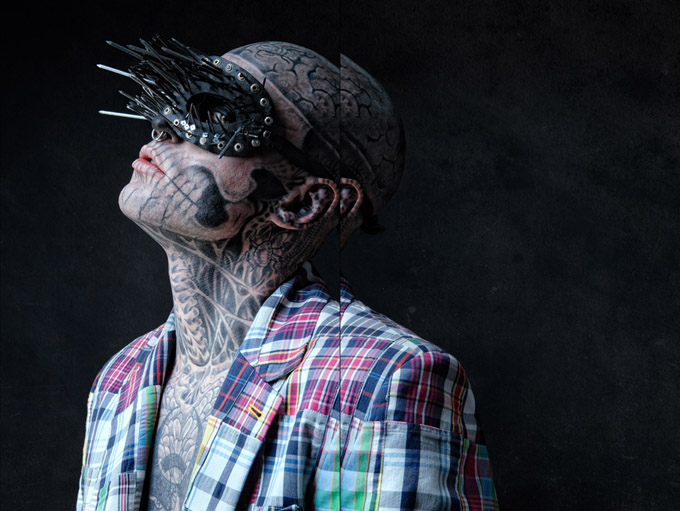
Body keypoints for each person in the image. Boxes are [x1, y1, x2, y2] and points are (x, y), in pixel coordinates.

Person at [77, 37, 498, 511]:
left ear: (305, 202)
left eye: (220, 118)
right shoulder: (120, 380)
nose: (165, 130)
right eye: (173, 107)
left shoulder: (386, 380)